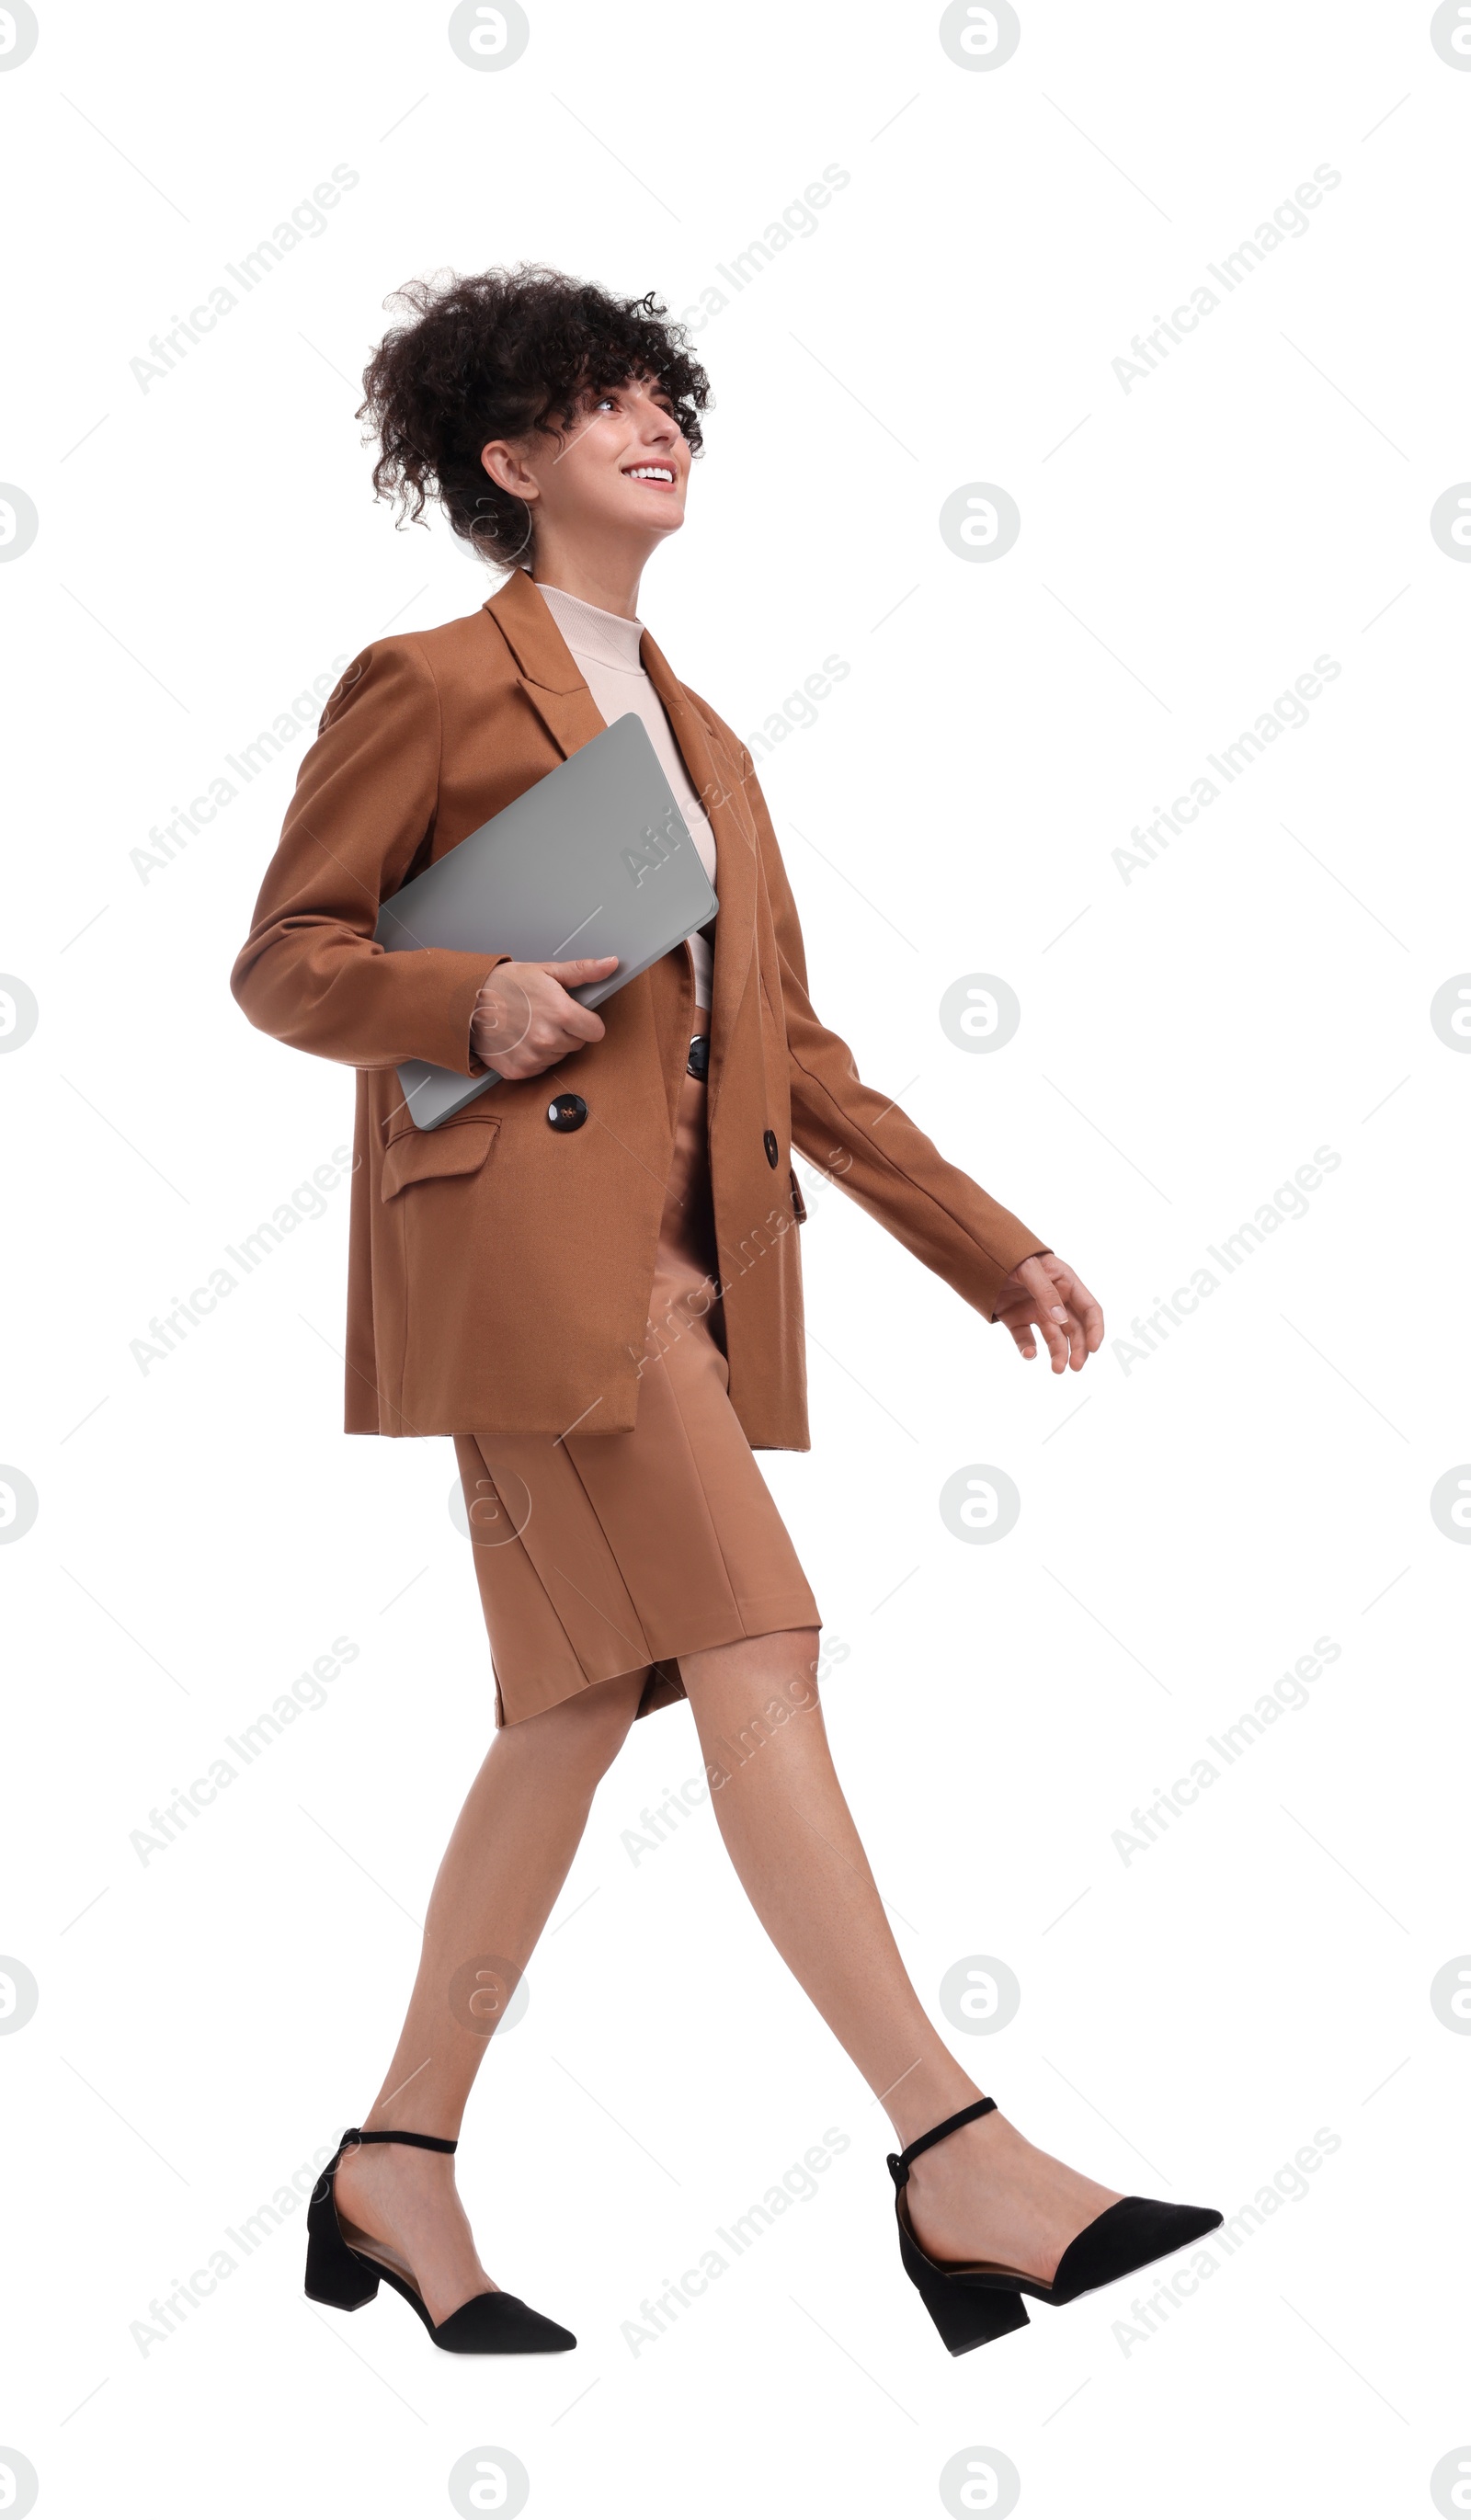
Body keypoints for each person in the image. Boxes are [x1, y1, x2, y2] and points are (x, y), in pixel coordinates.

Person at [230, 265, 1220, 2359]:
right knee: (757, 1639)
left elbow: (786, 1045)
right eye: (600, 404)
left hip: (681, 1282)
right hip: (526, 1280)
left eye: (665, 392)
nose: (655, 422)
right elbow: (286, 958)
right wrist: (456, 997)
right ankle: (950, 2153)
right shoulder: (421, 681)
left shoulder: (705, 739)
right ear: (508, 462)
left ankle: (392, 2162)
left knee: (574, 1714)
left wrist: (983, 1240)